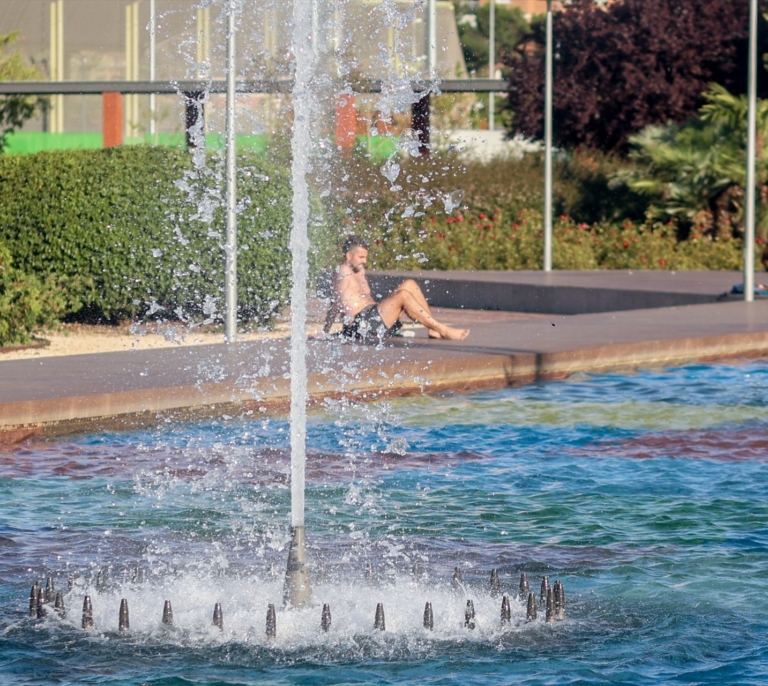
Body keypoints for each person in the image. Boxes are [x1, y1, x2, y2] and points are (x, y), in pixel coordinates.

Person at [321, 235, 470, 342]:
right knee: (403, 295)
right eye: (361, 257)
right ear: (348, 255)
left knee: (410, 284)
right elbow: (334, 303)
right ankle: (442, 329)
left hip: (374, 318)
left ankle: (432, 329)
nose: (365, 261)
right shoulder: (341, 272)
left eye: (365, 257)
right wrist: (325, 332)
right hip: (362, 325)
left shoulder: (359, 271)